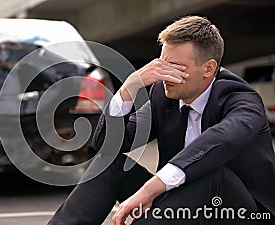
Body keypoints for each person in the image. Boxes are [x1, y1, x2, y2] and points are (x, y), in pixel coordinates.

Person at [48, 16, 275, 225]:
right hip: (182, 207)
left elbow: (220, 141)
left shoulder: (242, 100)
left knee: (214, 174)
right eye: (163, 63)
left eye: (176, 67)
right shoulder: (163, 96)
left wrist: (150, 190)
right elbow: (106, 144)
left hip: (239, 214)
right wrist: (129, 87)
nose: (165, 73)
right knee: (110, 163)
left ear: (208, 68)